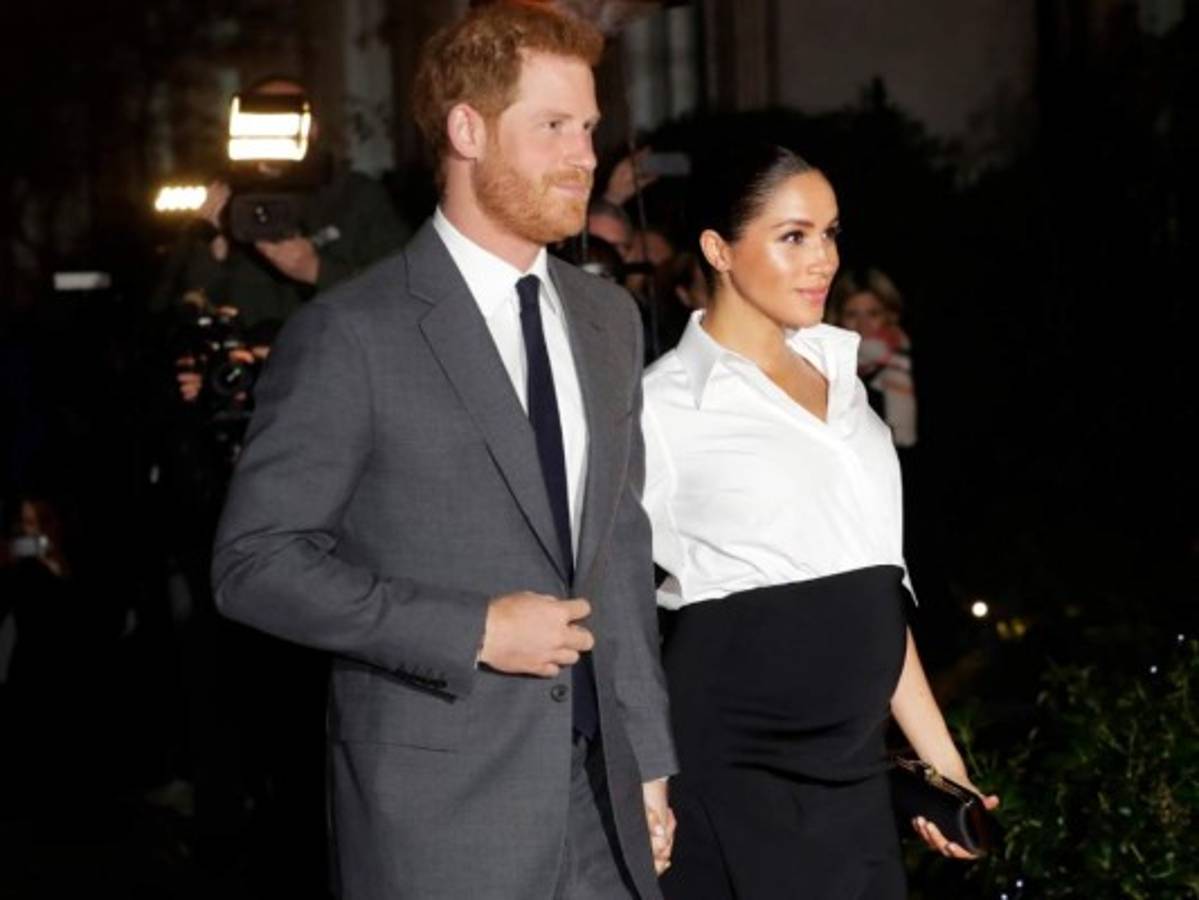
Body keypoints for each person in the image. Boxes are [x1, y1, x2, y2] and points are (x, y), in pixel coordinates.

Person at [211, 4, 677, 899]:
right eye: (552, 126)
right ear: (467, 130)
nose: (583, 155)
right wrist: (474, 630)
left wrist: (650, 761)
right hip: (439, 816)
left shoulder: (607, 318)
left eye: (588, 128)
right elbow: (254, 564)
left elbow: (620, 548)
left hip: (603, 808)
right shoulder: (352, 332)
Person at [641, 143, 997, 899]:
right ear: (718, 250)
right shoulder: (659, 407)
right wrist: (644, 777)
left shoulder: (846, 383)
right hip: (733, 765)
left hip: (854, 766)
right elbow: (607, 606)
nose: (824, 259)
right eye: (793, 236)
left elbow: (873, 589)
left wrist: (942, 762)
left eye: (830, 233)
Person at [151, 76, 409, 330]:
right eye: (261, 118)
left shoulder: (353, 194)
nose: (273, 129)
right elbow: (170, 313)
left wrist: (317, 270)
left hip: (329, 351)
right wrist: (210, 247)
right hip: (245, 352)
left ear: (311, 127)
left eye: (286, 116)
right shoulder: (221, 198)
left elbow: (402, 290)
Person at [828, 268, 917, 448]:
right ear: (837, 318)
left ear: (890, 315)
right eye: (852, 314)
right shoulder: (825, 366)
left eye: (873, 314)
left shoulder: (906, 361)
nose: (863, 325)